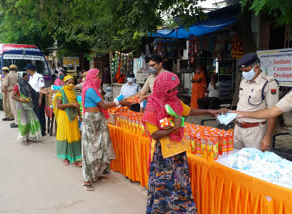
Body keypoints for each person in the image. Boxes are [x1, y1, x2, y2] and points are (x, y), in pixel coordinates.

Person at [143, 72, 226, 213]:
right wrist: (174, 128)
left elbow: (188, 111)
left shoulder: (175, 101)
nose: (175, 92)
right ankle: (162, 209)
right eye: (171, 89)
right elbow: (155, 134)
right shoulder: (152, 106)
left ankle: (181, 209)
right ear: (162, 89)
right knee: (164, 184)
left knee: (180, 182)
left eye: (176, 88)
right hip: (163, 153)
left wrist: (212, 111)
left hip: (178, 149)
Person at [81, 68, 130, 191]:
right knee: (91, 148)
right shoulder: (90, 89)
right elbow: (103, 105)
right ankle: (87, 178)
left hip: (99, 119)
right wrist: (118, 102)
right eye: (98, 76)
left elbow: (101, 104)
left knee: (102, 146)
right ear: (92, 78)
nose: (100, 79)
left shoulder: (95, 89)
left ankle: (96, 173)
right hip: (92, 120)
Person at [233, 52, 279, 152]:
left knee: (254, 163)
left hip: (255, 132)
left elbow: (273, 113)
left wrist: (267, 136)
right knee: (236, 160)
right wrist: (236, 125)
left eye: (246, 70)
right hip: (238, 129)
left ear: (256, 68)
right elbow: (241, 105)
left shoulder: (269, 83)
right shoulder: (243, 80)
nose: (244, 73)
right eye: (242, 71)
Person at [53, 75, 82, 166]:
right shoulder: (61, 91)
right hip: (64, 116)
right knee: (65, 136)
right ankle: (65, 157)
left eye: (72, 83)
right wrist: (70, 104)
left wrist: (80, 116)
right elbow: (59, 106)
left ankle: (76, 158)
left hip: (73, 117)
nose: (71, 84)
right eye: (69, 82)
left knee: (74, 136)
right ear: (65, 83)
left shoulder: (73, 91)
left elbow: (76, 104)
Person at [12, 73, 42, 145]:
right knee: (24, 123)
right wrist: (21, 99)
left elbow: (34, 93)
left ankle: (29, 136)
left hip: (29, 105)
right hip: (21, 106)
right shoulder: (17, 86)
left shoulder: (28, 85)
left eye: (28, 77)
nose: (27, 78)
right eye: (26, 77)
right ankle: (23, 138)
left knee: (31, 121)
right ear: (22, 77)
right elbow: (13, 96)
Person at [26, 63, 46, 136]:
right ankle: (37, 129)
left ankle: (42, 130)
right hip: (33, 96)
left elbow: (41, 89)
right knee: (35, 113)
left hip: (39, 95)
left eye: (27, 69)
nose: (26, 71)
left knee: (40, 114)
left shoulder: (39, 77)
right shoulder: (31, 77)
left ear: (30, 70)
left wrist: (40, 100)